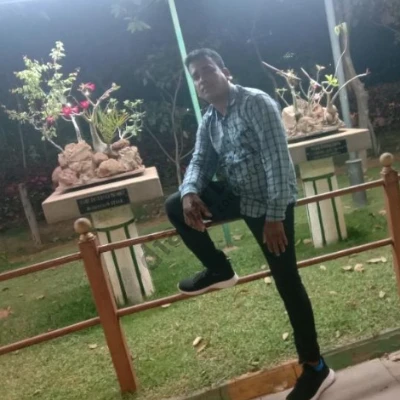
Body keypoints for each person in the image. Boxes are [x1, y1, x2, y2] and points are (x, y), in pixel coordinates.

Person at [165, 48, 335, 400]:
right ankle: (219, 269)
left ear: (225, 71)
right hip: (235, 194)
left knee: (286, 280)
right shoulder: (210, 119)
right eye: (195, 76)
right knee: (175, 204)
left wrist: (275, 217)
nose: (202, 79)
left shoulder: (256, 103)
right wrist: (190, 192)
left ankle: (316, 367)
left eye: (207, 70)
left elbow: (278, 162)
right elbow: (200, 160)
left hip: (269, 201)